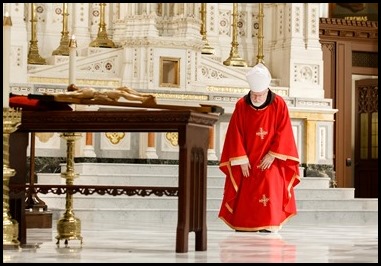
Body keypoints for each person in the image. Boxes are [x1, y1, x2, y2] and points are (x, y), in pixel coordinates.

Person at [218, 63, 300, 233]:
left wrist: (272, 154)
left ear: (267, 91)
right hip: (247, 158)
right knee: (246, 187)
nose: (255, 98)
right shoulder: (242, 105)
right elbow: (235, 133)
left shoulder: (278, 104)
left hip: (271, 158)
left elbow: (283, 131)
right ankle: (245, 224)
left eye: (260, 95)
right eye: (254, 95)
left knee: (270, 184)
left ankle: (270, 223)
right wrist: (240, 158)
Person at [53, 84, 156, 105]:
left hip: (103, 91)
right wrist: (54, 94)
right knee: (122, 93)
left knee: (124, 87)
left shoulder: (82, 89)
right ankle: (141, 100)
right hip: (101, 94)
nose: (76, 86)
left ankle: (142, 95)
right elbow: (65, 94)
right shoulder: (77, 93)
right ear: (72, 89)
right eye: (74, 86)